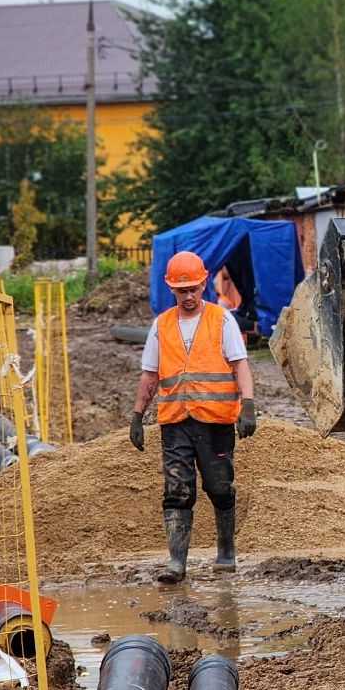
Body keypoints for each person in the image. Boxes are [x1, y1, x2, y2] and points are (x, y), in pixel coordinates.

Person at [130, 250, 257, 583]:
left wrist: (248, 404)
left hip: (215, 422)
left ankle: (226, 551)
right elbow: (150, 374)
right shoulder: (161, 325)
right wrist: (137, 415)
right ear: (171, 289)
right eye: (181, 290)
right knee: (177, 490)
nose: (188, 296)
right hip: (175, 422)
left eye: (193, 289)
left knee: (219, 486)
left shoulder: (221, 319)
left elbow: (240, 364)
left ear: (204, 285)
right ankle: (176, 563)